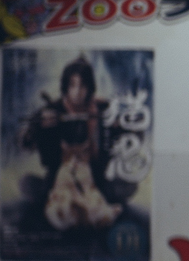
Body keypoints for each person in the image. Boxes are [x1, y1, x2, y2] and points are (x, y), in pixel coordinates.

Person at [21, 56, 121, 231]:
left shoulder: (101, 108)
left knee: (119, 190)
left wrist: (116, 126)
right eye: (72, 85)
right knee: (29, 185)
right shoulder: (52, 110)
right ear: (65, 87)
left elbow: (125, 133)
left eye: (82, 86)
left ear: (89, 88)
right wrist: (39, 126)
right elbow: (25, 141)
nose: (77, 91)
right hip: (60, 177)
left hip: (94, 176)